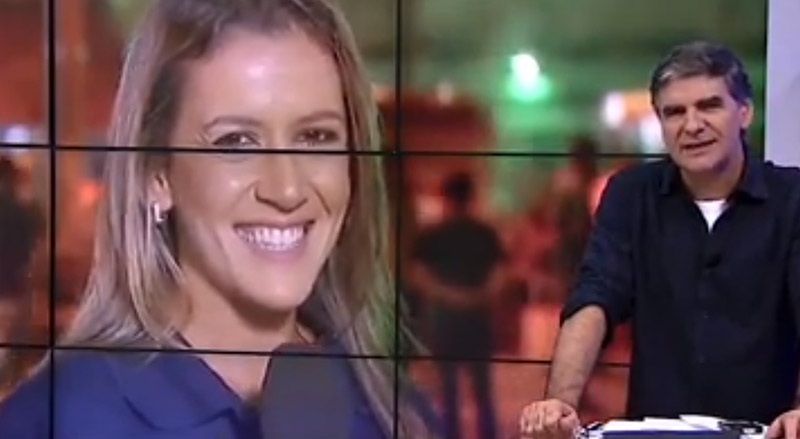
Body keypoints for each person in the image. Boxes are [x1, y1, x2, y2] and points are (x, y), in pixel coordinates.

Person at [0, 1, 437, 438]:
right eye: (236, 142)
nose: (287, 190)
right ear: (156, 175)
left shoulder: (394, 412)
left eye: (315, 137)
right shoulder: (61, 419)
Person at [519, 40, 800, 439]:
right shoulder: (631, 194)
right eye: (674, 112)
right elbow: (596, 296)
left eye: (709, 106)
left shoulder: (792, 199)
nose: (692, 125)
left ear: (745, 113)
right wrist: (559, 403)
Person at [411, 171, 505, 439]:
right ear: (471, 198)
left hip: (444, 319)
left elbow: (419, 275)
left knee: (448, 391)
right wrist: (478, 297)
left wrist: (448, 296)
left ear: (446, 198)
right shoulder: (485, 233)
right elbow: (499, 275)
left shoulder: (432, 235)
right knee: (482, 389)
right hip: (477, 318)